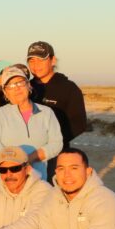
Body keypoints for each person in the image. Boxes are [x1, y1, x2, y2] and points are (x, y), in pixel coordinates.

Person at [0, 66, 63, 186]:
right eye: (10, 86)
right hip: (3, 179)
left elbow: (56, 143)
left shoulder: (47, 113)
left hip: (36, 179)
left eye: (20, 83)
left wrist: (29, 158)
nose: (16, 88)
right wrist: (13, 162)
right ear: (5, 92)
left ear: (29, 85)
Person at [27, 41, 87, 175]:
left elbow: (79, 123)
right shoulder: (25, 88)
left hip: (56, 155)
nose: (36, 66)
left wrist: (53, 142)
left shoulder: (69, 88)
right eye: (31, 61)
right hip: (28, 152)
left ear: (52, 60)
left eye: (41, 60)